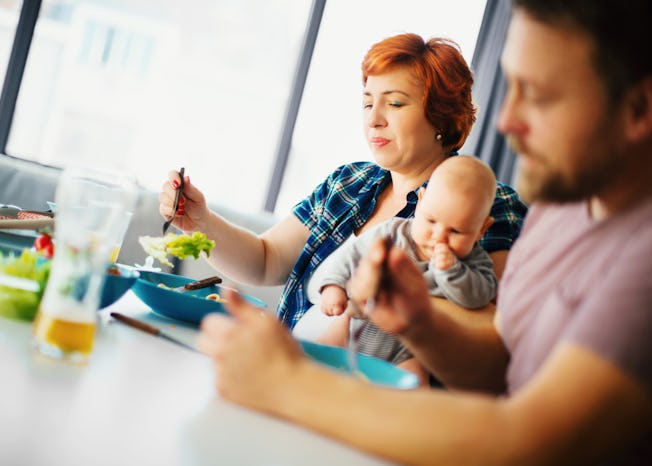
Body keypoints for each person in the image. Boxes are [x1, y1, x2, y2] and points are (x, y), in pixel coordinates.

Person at [197, 1, 652, 464]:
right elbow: (502, 371)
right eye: (511, 85)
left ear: (638, 109)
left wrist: (286, 381)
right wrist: (420, 322)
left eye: (538, 93)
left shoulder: (632, 253)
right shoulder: (562, 212)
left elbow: (533, 437)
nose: (505, 121)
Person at [159, 33, 526, 330]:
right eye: (368, 103)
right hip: (283, 376)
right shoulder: (348, 182)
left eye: (395, 104)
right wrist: (201, 221)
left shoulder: (490, 203)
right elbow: (265, 260)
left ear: (442, 117)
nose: (374, 119)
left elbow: (487, 327)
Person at [309, 155, 497, 383]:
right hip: (356, 324)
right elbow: (352, 255)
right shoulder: (393, 232)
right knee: (309, 364)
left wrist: (451, 270)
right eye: (431, 221)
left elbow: (477, 298)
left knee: (416, 388)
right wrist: (334, 286)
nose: (439, 237)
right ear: (420, 202)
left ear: (481, 230)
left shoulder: (474, 262)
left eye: (456, 231)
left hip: (407, 349)